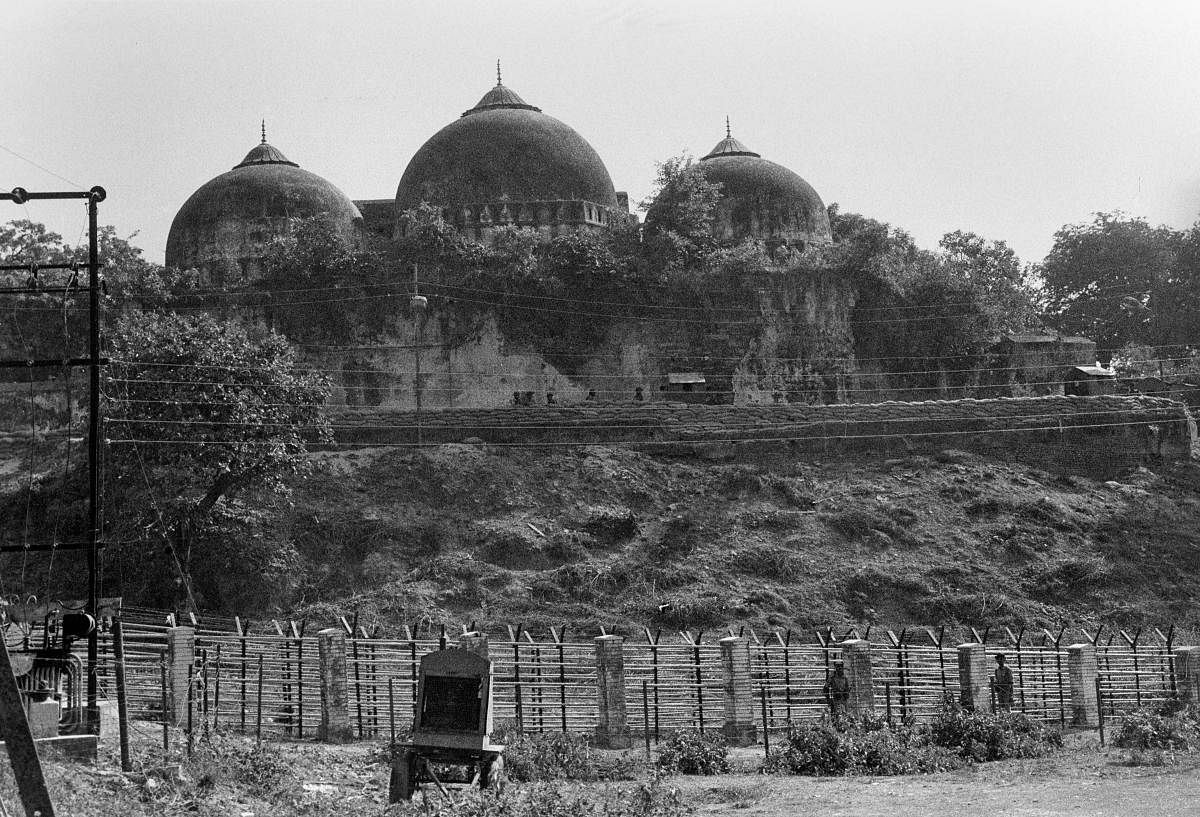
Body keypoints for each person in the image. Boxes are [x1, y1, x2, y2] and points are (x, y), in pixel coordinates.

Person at [823, 662, 850, 726]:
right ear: (836, 669)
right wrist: (828, 699)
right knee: (835, 715)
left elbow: (847, 688)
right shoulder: (832, 678)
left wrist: (846, 693)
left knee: (845, 715)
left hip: (843, 699)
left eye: (841, 668)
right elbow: (825, 688)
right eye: (838, 668)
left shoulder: (845, 678)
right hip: (835, 699)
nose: (840, 670)